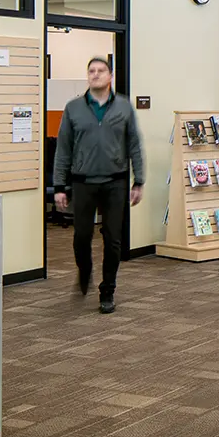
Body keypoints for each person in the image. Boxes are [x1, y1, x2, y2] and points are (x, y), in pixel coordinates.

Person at [53, 57, 145, 314]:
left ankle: (108, 291)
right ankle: (85, 271)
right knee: (81, 237)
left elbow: (134, 145)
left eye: (100, 70)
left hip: (115, 182)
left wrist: (139, 181)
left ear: (110, 76)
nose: (95, 74)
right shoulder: (73, 108)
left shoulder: (125, 108)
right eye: (91, 71)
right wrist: (59, 185)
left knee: (113, 239)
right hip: (82, 182)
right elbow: (63, 149)